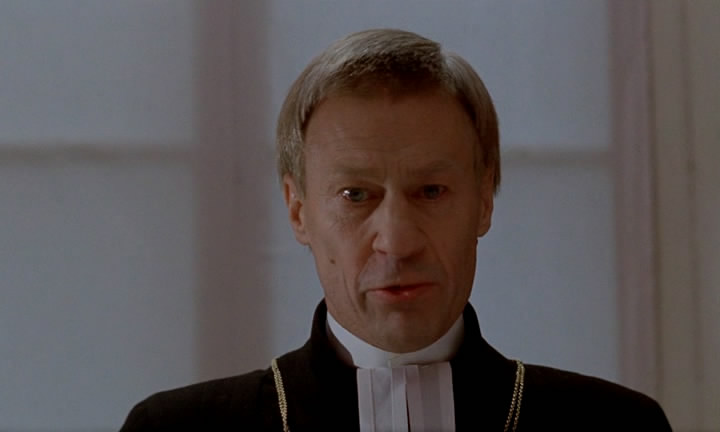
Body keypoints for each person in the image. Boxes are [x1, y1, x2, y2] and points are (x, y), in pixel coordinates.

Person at [120, 29, 671, 431]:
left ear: (484, 199)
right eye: (355, 195)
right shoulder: (174, 430)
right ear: (298, 211)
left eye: (431, 191)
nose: (397, 242)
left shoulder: (618, 425)